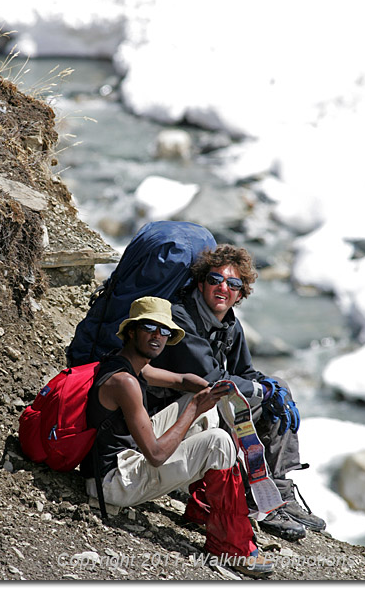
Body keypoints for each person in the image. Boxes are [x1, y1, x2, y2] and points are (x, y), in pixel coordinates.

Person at [80, 296, 274, 579]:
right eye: (150, 327)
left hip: (119, 463)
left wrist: (213, 390)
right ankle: (230, 546)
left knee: (204, 413)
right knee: (218, 440)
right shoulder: (125, 382)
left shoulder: (130, 364)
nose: (158, 336)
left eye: (165, 331)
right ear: (132, 331)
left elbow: (182, 380)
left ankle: (203, 510)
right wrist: (196, 405)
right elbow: (156, 456)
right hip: (112, 483)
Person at [151, 244, 326, 541]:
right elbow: (210, 380)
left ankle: (277, 492)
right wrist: (262, 389)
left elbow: (245, 373)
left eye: (233, 284)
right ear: (201, 282)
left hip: (205, 402)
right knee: (258, 398)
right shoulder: (182, 318)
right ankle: (258, 499)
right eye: (215, 279)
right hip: (174, 411)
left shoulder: (229, 323)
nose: (223, 288)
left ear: (241, 293)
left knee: (277, 395)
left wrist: (273, 390)